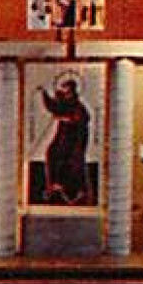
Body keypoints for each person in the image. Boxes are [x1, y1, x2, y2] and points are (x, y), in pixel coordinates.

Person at [37, 76, 92, 205]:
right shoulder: (65, 102)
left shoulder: (78, 105)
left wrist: (64, 118)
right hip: (62, 138)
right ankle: (55, 185)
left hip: (74, 140)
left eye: (67, 89)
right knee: (51, 153)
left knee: (72, 162)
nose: (65, 92)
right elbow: (53, 107)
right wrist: (44, 93)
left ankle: (76, 191)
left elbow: (80, 118)